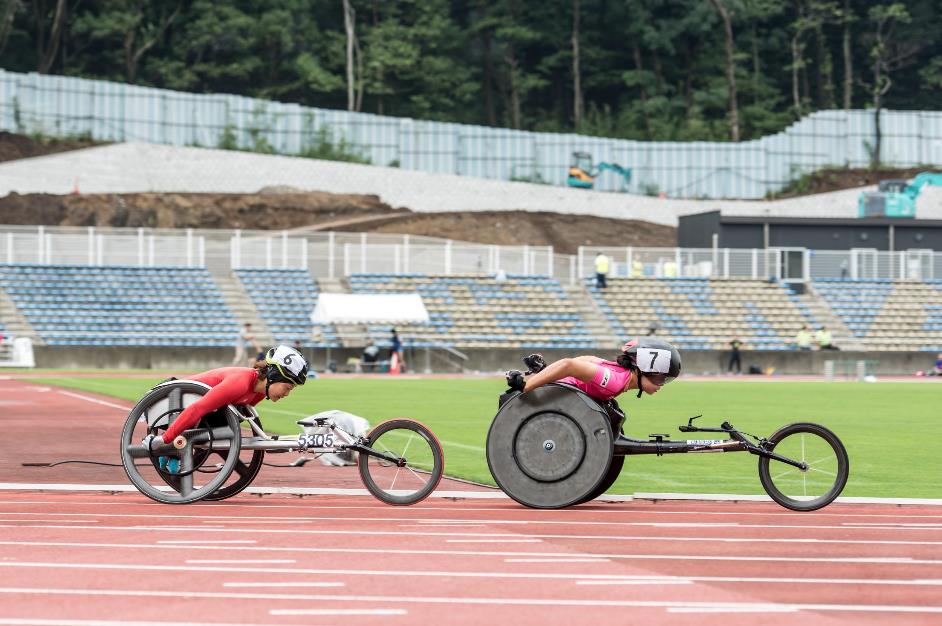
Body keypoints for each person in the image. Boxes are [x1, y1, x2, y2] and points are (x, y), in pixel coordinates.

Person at [142, 345, 308, 470]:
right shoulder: (240, 383)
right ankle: (170, 451)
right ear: (273, 376)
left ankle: (174, 453)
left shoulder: (259, 392)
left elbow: (230, 420)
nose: (286, 394)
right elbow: (197, 409)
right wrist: (163, 440)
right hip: (170, 402)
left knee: (228, 422)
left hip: (194, 413)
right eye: (287, 388)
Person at [506, 338, 681, 403]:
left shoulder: (619, 372)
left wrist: (545, 372)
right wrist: (526, 385)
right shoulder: (614, 381)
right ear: (642, 370)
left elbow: (585, 360)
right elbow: (569, 365)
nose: (661, 385)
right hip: (554, 395)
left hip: (559, 388)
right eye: (659, 379)